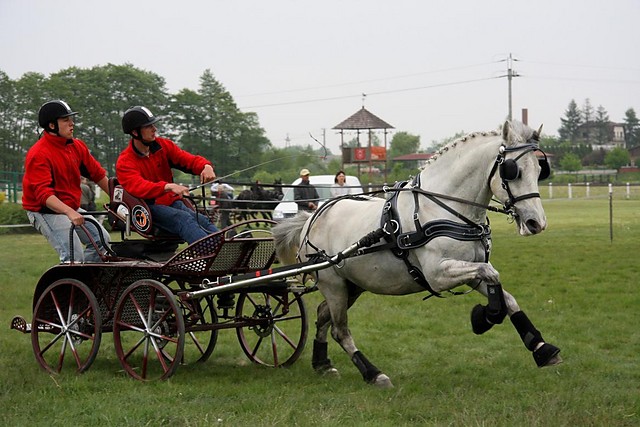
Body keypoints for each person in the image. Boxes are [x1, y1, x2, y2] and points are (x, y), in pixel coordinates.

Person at [22, 99, 111, 263]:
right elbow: (44, 195)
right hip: (44, 210)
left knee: (102, 241)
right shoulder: (39, 154)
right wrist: (70, 212)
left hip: (69, 206)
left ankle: (87, 285)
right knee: (73, 255)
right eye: (66, 120)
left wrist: (120, 201)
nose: (72, 124)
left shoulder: (77, 146)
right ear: (52, 126)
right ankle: (71, 287)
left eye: (71, 119)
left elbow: (98, 175)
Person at [116, 106, 219, 244]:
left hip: (170, 202)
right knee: (184, 219)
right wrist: (168, 186)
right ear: (135, 132)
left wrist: (205, 166)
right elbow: (138, 186)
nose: (154, 129)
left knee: (201, 220)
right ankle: (209, 254)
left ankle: (225, 249)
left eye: (153, 125)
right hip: (148, 208)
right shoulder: (125, 161)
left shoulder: (163, 146)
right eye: (148, 126)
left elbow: (187, 159)